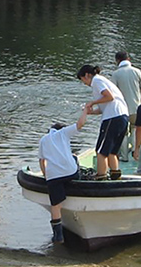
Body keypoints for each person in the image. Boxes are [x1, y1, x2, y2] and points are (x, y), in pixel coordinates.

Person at [38, 107, 88, 244]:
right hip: (70, 172)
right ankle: (79, 185)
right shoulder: (63, 133)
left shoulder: (43, 140)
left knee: (55, 205)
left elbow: (42, 161)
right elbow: (80, 124)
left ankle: (58, 236)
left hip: (53, 176)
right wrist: (85, 111)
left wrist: (45, 175)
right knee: (74, 158)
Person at [77, 65, 129, 181]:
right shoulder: (103, 81)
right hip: (122, 117)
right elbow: (104, 107)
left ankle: (101, 176)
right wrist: (91, 112)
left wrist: (92, 102)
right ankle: (115, 175)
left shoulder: (97, 81)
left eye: (83, 80)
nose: (84, 83)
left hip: (113, 117)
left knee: (101, 151)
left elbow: (109, 97)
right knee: (112, 152)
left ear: (87, 75)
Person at [111, 52, 141, 162]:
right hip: (136, 107)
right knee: (135, 130)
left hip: (122, 110)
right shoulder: (137, 71)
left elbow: (113, 94)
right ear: (128, 59)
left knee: (123, 133)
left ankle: (124, 157)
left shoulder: (116, 74)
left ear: (117, 61)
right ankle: (135, 155)